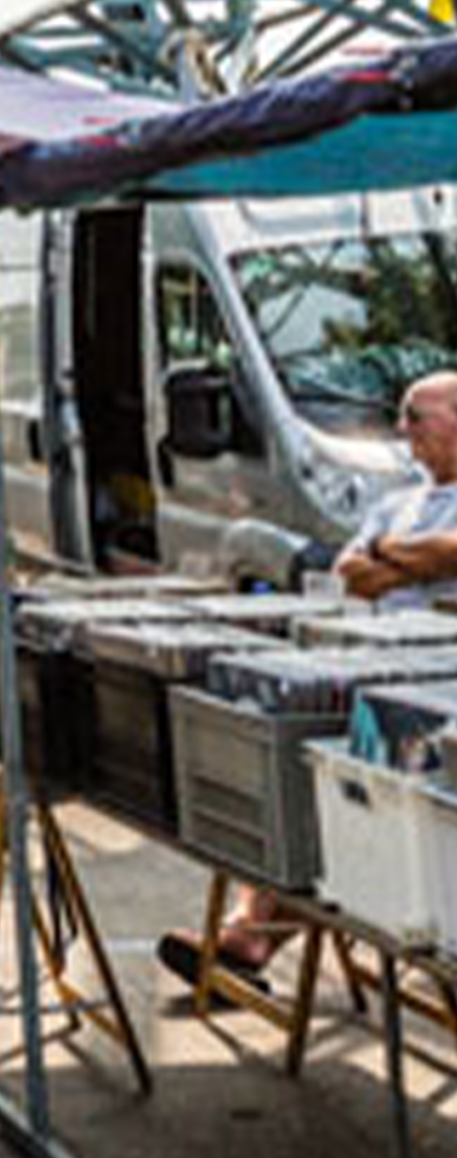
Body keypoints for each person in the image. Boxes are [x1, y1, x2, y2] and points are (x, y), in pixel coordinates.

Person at [160, 369, 457, 993]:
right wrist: (412, 561)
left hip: (436, 686)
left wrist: (394, 556)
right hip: (366, 667)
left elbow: (443, 556)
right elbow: (352, 571)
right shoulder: (399, 501)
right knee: (292, 770)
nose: (403, 431)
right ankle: (250, 926)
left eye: (416, 417)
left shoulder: (405, 513)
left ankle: (251, 934)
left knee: (361, 803)